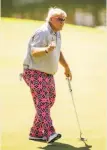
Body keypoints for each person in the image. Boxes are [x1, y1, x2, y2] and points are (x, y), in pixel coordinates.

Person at [22, 7, 72, 143]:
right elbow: (33, 51)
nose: (63, 22)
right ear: (51, 19)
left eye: (64, 20)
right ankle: (49, 133)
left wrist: (66, 67)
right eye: (60, 19)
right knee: (43, 102)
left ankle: (35, 132)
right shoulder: (43, 32)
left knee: (50, 100)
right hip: (34, 71)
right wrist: (46, 49)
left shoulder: (57, 33)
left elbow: (58, 52)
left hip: (47, 73)